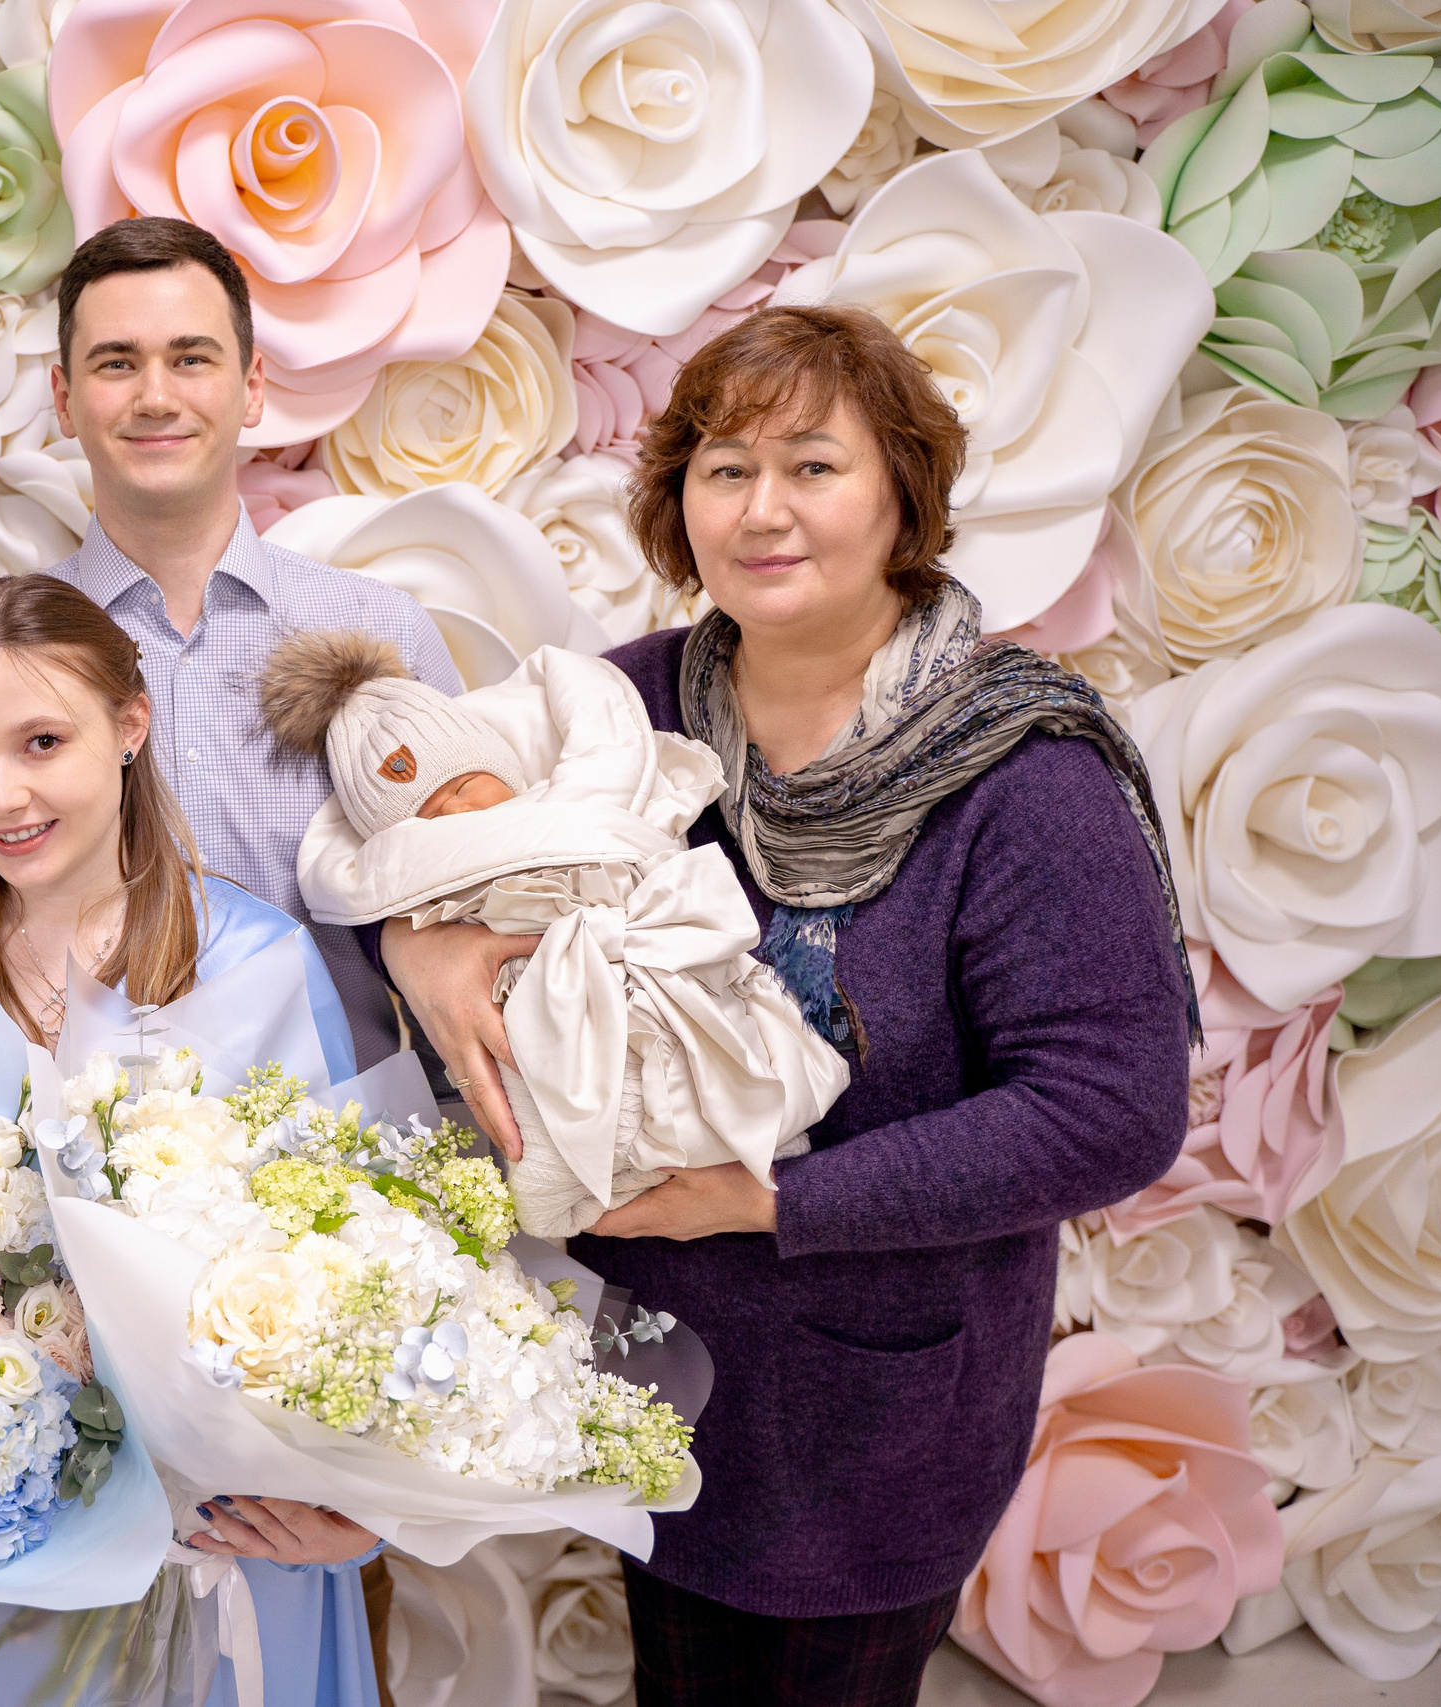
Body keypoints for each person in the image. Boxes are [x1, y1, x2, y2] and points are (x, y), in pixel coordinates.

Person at [375, 304, 1193, 1706]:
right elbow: (424, 838)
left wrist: (756, 1198)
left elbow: (1108, 1111)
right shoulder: (618, 715)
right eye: (724, 466)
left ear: (902, 497)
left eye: (814, 465)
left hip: (879, 1418)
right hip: (654, 1371)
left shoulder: (1018, 773)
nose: (764, 509)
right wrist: (419, 939)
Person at [0, 572, 380, 1707]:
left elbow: (364, 1264)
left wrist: (363, 1511)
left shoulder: (254, 959)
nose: (3, 795)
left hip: (229, 1541)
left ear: (129, 727)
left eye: (41, 741)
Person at [0, 216, 460, 1069]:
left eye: (191, 358)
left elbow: (468, 913)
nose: (155, 395)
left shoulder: (384, 634)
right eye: (116, 362)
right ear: (63, 398)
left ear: (253, 386)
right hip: (60, 1168)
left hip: (344, 1160)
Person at [262, 630, 843, 1239]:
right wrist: (404, 940)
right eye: (429, 818)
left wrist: (778, 1205)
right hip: (528, 998)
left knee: (715, 1059)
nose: (459, 817)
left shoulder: (586, 783)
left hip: (645, 950)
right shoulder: (651, 674)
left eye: (464, 786)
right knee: (545, 1116)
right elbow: (391, 893)